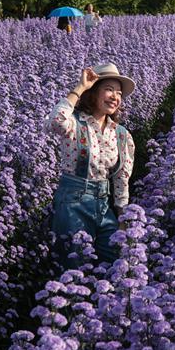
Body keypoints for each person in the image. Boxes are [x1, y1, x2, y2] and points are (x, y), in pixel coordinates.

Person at [48, 62, 136, 268]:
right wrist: (80, 88)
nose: (115, 97)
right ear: (92, 93)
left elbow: (121, 179)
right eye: (108, 90)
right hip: (72, 202)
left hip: (104, 204)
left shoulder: (121, 134)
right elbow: (55, 121)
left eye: (119, 93)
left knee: (115, 260)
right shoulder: (74, 123)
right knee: (74, 265)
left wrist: (122, 218)